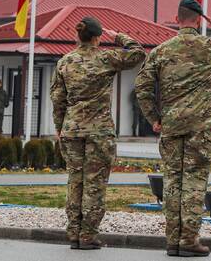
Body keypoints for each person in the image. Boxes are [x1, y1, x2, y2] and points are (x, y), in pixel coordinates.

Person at [135, 0, 211, 257]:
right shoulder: (210, 46)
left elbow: (142, 88)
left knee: (173, 183)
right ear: (199, 20)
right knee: (194, 183)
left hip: (171, 126)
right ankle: (188, 241)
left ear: (177, 19)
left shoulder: (160, 51)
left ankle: (173, 241)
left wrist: (154, 118)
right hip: (200, 127)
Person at [50, 16, 145, 250]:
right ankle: (88, 235)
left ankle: (74, 231)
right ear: (97, 37)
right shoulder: (106, 57)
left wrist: (60, 128)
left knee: (75, 181)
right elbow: (138, 53)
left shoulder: (65, 62)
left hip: (72, 130)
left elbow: (57, 99)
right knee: (95, 183)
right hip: (99, 131)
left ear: (77, 35)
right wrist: (118, 36)